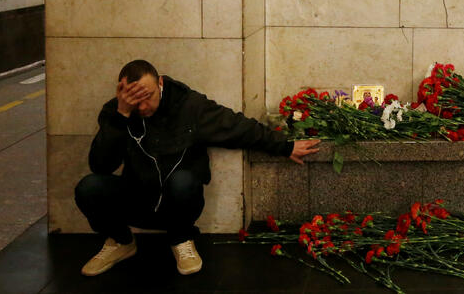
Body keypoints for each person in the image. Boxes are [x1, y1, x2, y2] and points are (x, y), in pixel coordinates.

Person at [75, 59, 321, 277]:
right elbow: (100, 165)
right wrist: (121, 115)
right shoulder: (118, 112)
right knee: (88, 187)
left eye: (148, 96)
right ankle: (120, 241)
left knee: (184, 180)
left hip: (178, 202)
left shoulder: (188, 105)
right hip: (138, 195)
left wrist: (285, 147)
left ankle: (181, 239)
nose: (143, 106)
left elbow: (236, 127)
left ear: (160, 83)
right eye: (134, 100)